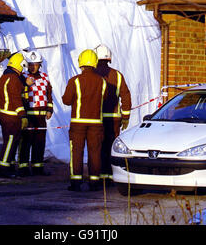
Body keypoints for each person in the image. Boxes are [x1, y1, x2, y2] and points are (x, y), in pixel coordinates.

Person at [62, 49, 107, 191]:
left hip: (78, 123)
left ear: (80, 63)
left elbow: (66, 100)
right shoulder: (103, 82)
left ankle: (76, 182)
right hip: (96, 123)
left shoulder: (74, 81)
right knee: (95, 152)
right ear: (95, 63)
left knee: (76, 151)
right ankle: (94, 182)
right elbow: (104, 99)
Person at [94, 44, 131, 185]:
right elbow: (126, 95)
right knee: (111, 146)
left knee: (97, 147)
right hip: (114, 119)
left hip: (97, 118)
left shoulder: (93, 75)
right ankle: (110, 176)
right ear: (109, 58)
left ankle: (98, 175)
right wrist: (126, 116)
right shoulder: (117, 75)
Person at [18, 50, 53, 176]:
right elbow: (19, 94)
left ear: (40, 64)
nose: (33, 67)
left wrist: (49, 109)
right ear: (27, 64)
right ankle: (23, 168)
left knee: (40, 142)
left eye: (36, 64)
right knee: (26, 142)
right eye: (31, 64)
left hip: (41, 116)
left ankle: (38, 168)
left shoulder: (45, 77)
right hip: (28, 115)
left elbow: (49, 94)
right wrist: (26, 85)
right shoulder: (22, 76)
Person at [0, 52, 29, 178]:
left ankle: (9, 166)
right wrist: (23, 115)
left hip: (3, 114)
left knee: (9, 141)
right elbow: (15, 98)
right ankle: (4, 169)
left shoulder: (4, 77)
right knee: (10, 142)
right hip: (12, 117)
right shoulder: (14, 79)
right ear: (20, 64)